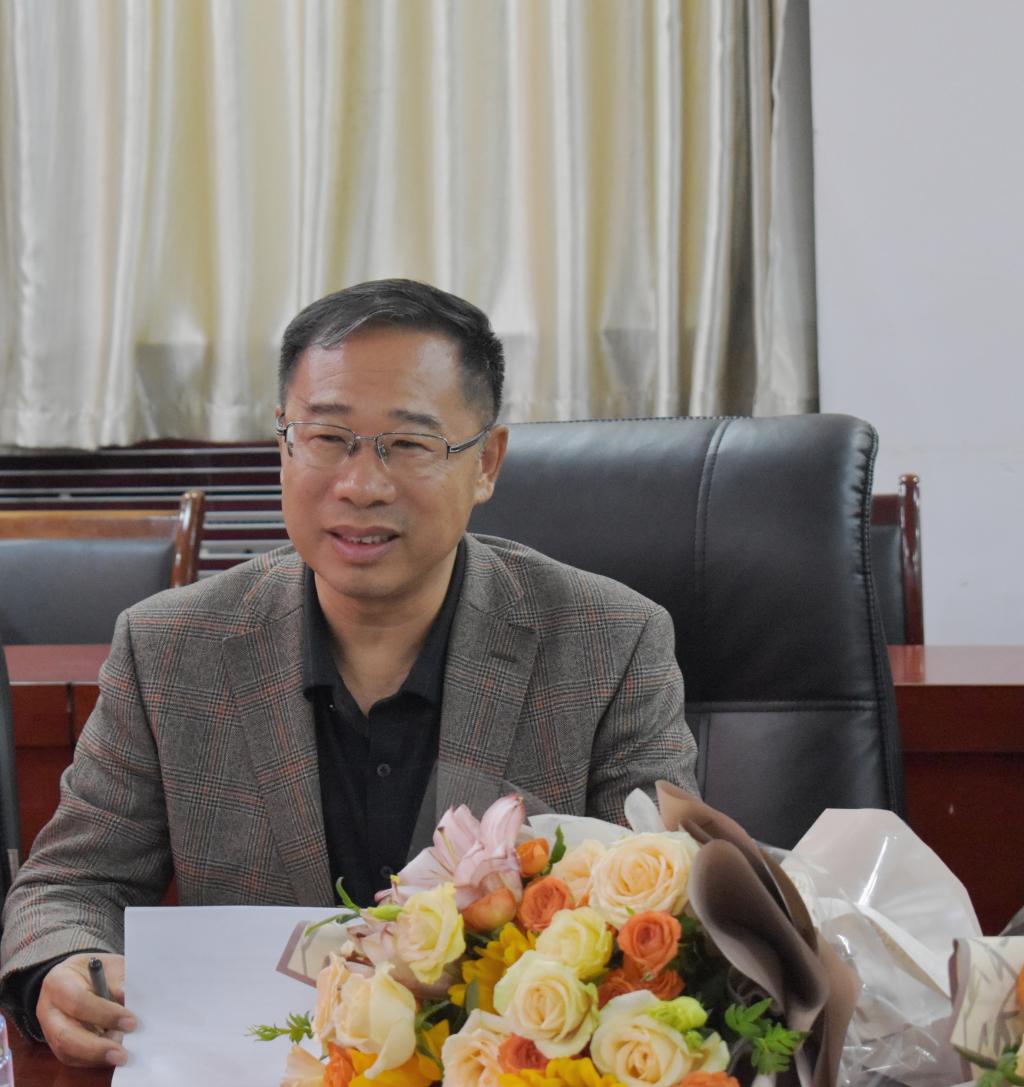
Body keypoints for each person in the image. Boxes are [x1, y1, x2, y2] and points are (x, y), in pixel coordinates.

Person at [0, 279, 698, 1067]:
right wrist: (63, 965)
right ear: (283, 445)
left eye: (410, 443)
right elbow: (69, 886)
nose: (361, 484)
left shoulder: (610, 644)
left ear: (486, 462)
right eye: (327, 437)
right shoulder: (169, 648)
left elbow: (671, 920)